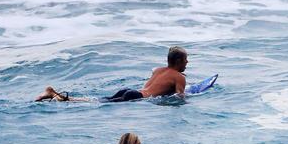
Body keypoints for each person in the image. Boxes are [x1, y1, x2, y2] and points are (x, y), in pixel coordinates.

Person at [35, 46, 188, 102]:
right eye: (185, 60)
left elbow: (158, 80)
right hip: (137, 97)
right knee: (96, 103)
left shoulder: (157, 70)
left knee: (101, 100)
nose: (187, 63)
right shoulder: (179, 77)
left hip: (133, 91)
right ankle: (56, 95)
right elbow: (179, 97)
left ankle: (55, 95)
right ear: (179, 61)